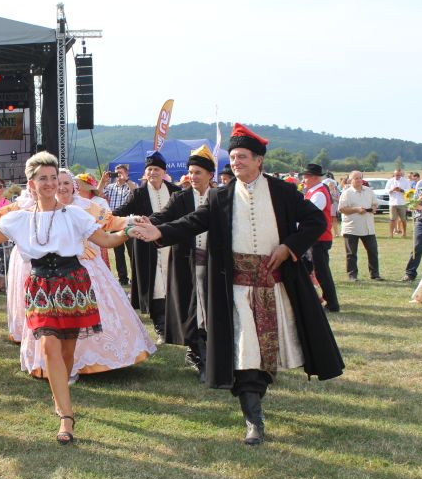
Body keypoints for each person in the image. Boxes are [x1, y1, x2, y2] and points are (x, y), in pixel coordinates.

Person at [137, 123, 344, 446]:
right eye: (233, 157)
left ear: (259, 160)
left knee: (266, 355)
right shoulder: (221, 196)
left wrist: (288, 247)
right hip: (236, 288)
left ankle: (257, 398)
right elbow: (193, 221)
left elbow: (316, 220)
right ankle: (253, 421)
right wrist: (159, 231)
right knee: (246, 354)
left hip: (275, 287)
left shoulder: (282, 191)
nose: (236, 162)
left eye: (243, 157)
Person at [0, 152, 145, 444]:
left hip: (73, 284)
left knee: (67, 352)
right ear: (31, 184)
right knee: (48, 347)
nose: (49, 183)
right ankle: (66, 417)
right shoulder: (19, 218)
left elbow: (107, 240)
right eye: (42, 178)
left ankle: (60, 396)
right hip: (40, 286)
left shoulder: (75, 215)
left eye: (53, 178)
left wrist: (128, 232)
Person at [18, 169, 157, 380]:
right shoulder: (43, 210)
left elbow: (110, 222)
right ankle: (62, 367)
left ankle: (101, 358)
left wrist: (132, 221)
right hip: (55, 273)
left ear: (74, 187)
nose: (62, 187)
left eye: (66, 183)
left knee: (94, 312)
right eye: (59, 183)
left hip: (88, 266)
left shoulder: (85, 207)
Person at [148, 145, 216, 381]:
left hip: (214, 265)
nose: (193, 177)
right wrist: (144, 222)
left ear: (210, 174)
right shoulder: (181, 197)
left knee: (211, 310)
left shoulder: (220, 197)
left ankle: (208, 354)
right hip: (186, 263)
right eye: (191, 172)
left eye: (198, 172)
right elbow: (162, 217)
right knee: (192, 310)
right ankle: (201, 357)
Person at [113, 151, 180, 344]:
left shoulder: (175, 191)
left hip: (172, 247)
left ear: (164, 172)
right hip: (147, 248)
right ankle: (161, 328)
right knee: (155, 286)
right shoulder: (139, 193)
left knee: (173, 284)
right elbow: (120, 212)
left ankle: (174, 326)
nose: (153, 173)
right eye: (149, 169)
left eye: (156, 169)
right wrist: (105, 218)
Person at [301, 163, 340, 312]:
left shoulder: (318, 194)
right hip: (315, 239)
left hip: (320, 239)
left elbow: (309, 215)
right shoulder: (314, 192)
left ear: (315, 178)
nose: (303, 180)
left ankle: (332, 303)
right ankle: (317, 299)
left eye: (306, 177)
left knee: (321, 273)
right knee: (311, 271)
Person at [338, 170, 382, 281]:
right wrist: (356, 209)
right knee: (351, 253)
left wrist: (373, 208)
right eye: (356, 178)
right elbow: (341, 209)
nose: (359, 180)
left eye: (360, 178)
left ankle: (375, 274)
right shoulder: (347, 193)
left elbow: (375, 203)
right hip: (352, 227)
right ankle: (352, 275)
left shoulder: (369, 191)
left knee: (373, 251)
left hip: (368, 227)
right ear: (350, 180)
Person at [101, 164, 135, 285]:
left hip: (128, 223)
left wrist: (126, 179)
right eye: (116, 172)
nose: (118, 175)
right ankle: (123, 279)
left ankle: (135, 278)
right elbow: (98, 194)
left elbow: (136, 192)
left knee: (132, 252)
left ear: (126, 173)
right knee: (118, 253)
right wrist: (103, 181)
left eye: (120, 172)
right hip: (114, 223)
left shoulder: (130, 185)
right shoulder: (110, 187)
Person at [75, 173, 112, 268]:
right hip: (78, 241)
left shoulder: (100, 202)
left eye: (77, 184)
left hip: (96, 240)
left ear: (85, 186)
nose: (75, 186)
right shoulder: (73, 202)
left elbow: (106, 220)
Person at [403, 171, 422, 282]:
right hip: (421, 222)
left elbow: (418, 206)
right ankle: (410, 274)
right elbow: (412, 206)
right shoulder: (419, 189)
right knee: (417, 248)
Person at [386, 168, 412, 238]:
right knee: (392, 219)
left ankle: (404, 233)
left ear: (401, 175)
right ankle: (391, 234)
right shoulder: (390, 181)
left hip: (402, 203)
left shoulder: (405, 181)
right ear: (394, 174)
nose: (397, 176)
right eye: (396, 175)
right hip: (392, 203)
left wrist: (401, 190)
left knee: (403, 219)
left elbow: (409, 191)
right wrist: (392, 190)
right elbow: (386, 190)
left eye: (399, 175)